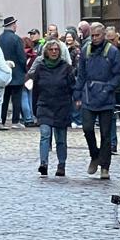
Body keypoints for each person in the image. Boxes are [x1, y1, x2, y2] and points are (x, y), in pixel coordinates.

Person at [75, 21, 120, 180]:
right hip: (89, 94)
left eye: (97, 35)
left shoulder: (113, 52)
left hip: (106, 96)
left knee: (105, 134)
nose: (94, 38)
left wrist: (108, 88)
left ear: (103, 35)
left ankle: (105, 166)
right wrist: (77, 94)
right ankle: (94, 155)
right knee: (87, 128)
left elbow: (119, 75)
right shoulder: (85, 50)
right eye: (92, 35)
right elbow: (81, 74)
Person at [29, 37, 77, 177]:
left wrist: (75, 103)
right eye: (51, 49)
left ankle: (61, 165)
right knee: (45, 134)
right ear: (46, 52)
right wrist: (35, 109)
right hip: (44, 105)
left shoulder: (66, 68)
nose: (54, 52)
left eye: (56, 49)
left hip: (61, 105)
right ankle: (43, 163)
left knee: (61, 138)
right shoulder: (40, 68)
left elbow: (72, 87)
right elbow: (35, 89)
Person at [0, 16, 32, 127]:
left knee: (4, 98)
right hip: (17, 73)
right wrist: (24, 70)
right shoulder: (16, 39)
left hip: (4, 73)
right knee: (16, 99)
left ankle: (2, 120)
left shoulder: (0, 39)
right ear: (13, 25)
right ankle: (15, 121)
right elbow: (22, 57)